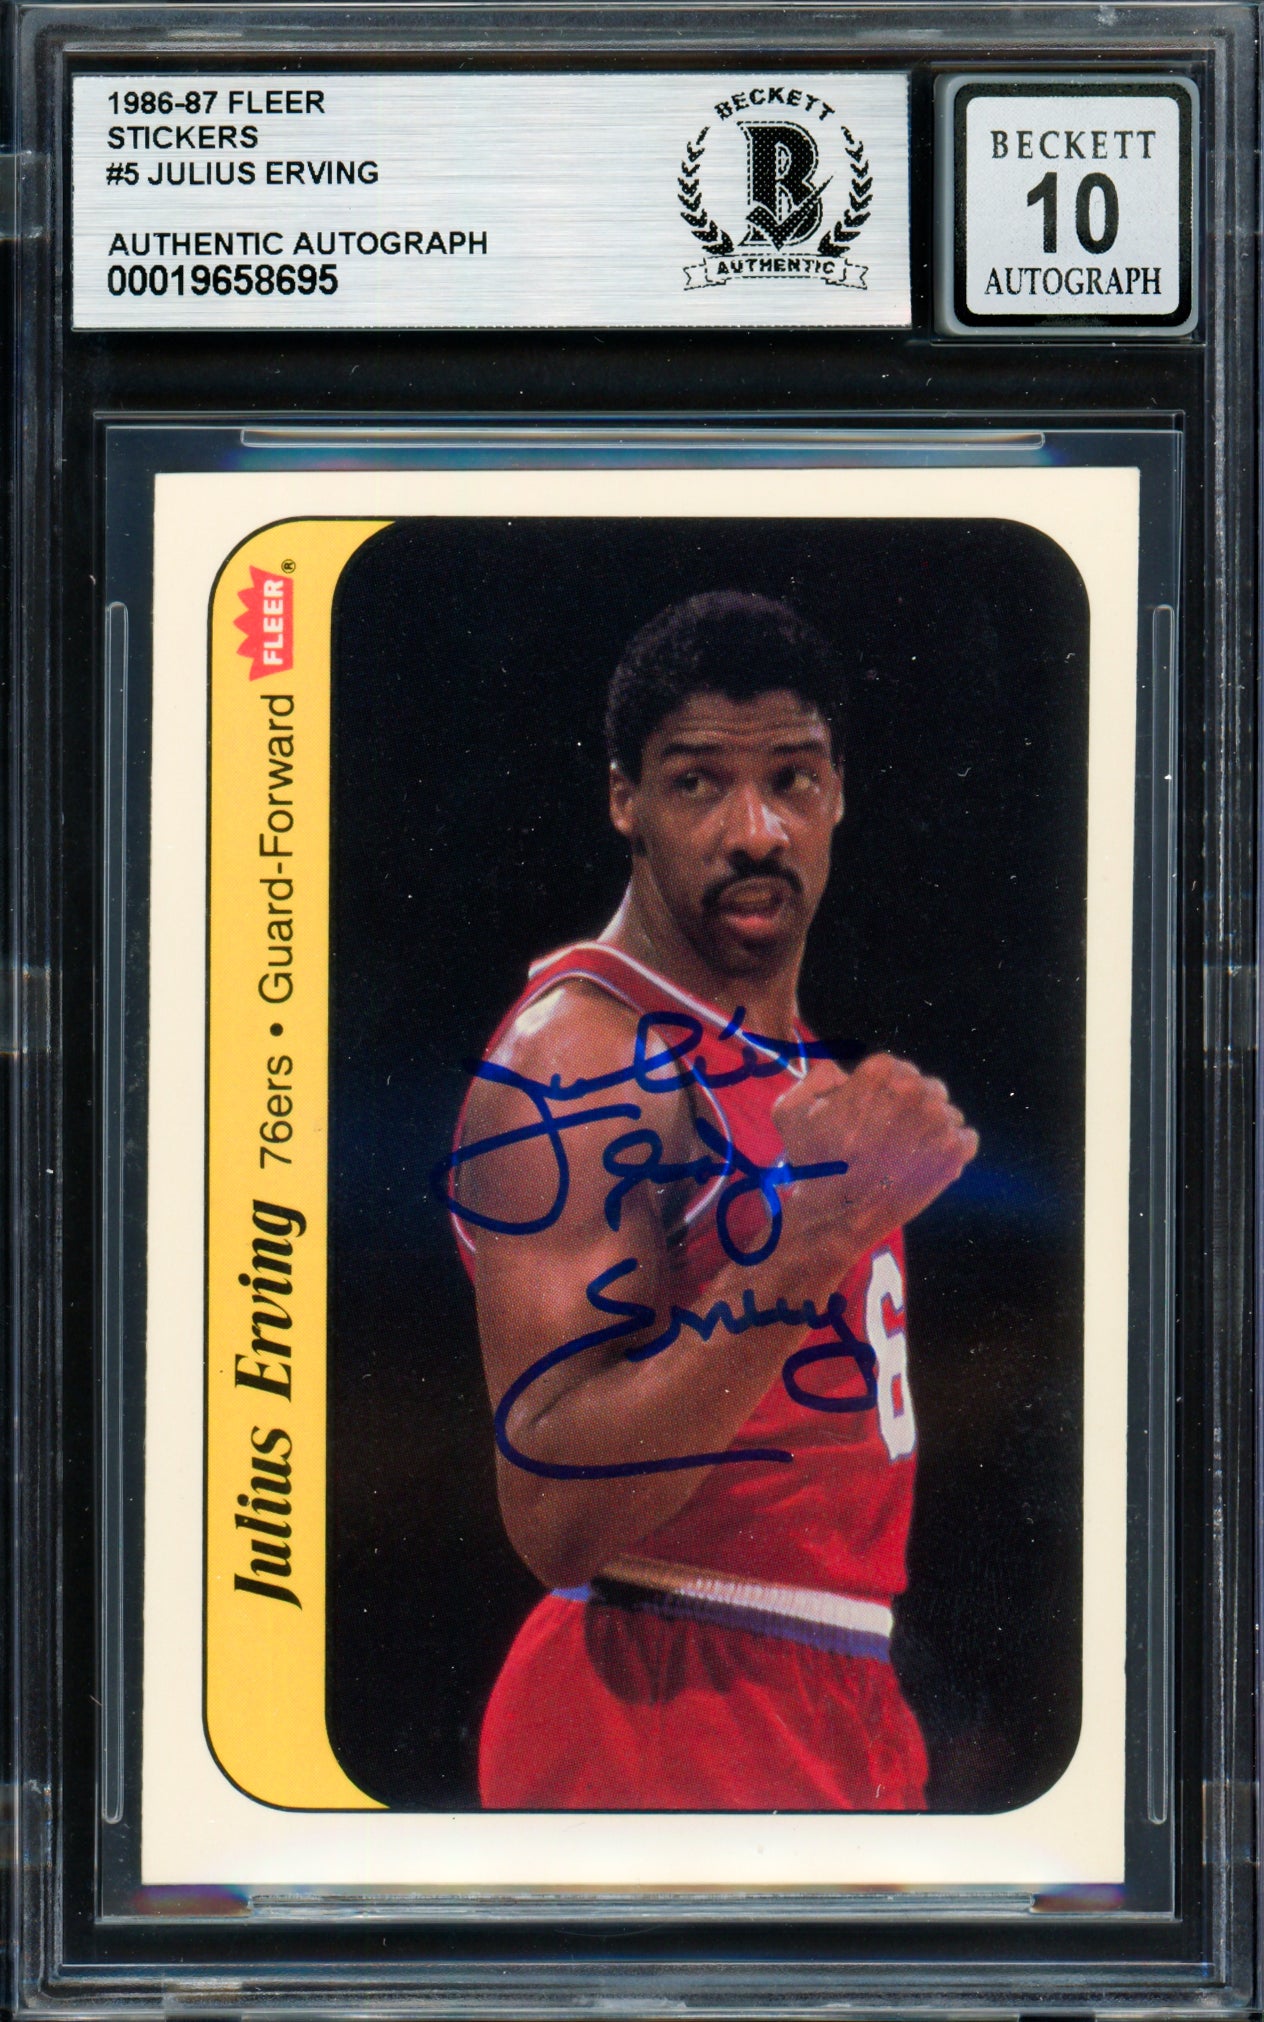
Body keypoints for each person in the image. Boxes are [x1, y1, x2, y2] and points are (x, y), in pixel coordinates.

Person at [442, 590, 978, 1811]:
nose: (755, 831)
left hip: (833, 1688)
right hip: (655, 1687)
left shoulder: (790, 1071)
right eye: (697, 784)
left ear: (837, 797)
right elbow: (554, 1516)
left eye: (792, 780)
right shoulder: (583, 1057)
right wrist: (815, 1237)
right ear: (623, 801)